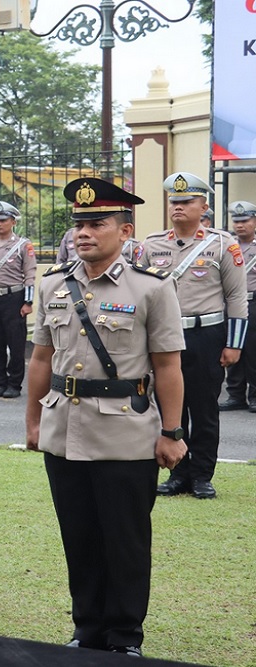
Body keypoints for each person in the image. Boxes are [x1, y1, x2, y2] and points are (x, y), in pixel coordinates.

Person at [26, 177, 187, 658]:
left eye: (97, 223)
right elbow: (39, 359)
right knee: (79, 537)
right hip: (64, 431)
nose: (84, 233)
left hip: (125, 432)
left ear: (125, 230)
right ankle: (87, 629)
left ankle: (124, 637)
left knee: (125, 542)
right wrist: (33, 422)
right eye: (79, 224)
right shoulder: (53, 283)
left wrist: (172, 432)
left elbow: (168, 366)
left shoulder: (151, 288)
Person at [135, 172, 248, 500]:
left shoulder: (222, 244)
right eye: (174, 201)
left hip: (206, 336)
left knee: (204, 408)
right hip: (163, 338)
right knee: (169, 408)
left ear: (204, 206)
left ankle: (202, 475)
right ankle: (177, 472)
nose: (179, 207)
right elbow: (140, 291)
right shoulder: (152, 245)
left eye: (186, 201)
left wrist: (233, 343)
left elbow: (236, 297)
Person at [0, 202, 36, 399]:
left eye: (3, 220)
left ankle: (14, 384)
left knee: (16, 343)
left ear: (12, 222)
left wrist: (28, 303)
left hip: (14, 298)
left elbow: (29, 274)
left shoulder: (22, 246)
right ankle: (0, 382)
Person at [221, 201, 256, 412]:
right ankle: (235, 394)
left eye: (244, 220)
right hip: (231, 302)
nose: (240, 225)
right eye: (236, 221)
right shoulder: (228, 245)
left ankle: (254, 394)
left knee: (253, 349)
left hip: (254, 302)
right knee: (233, 344)